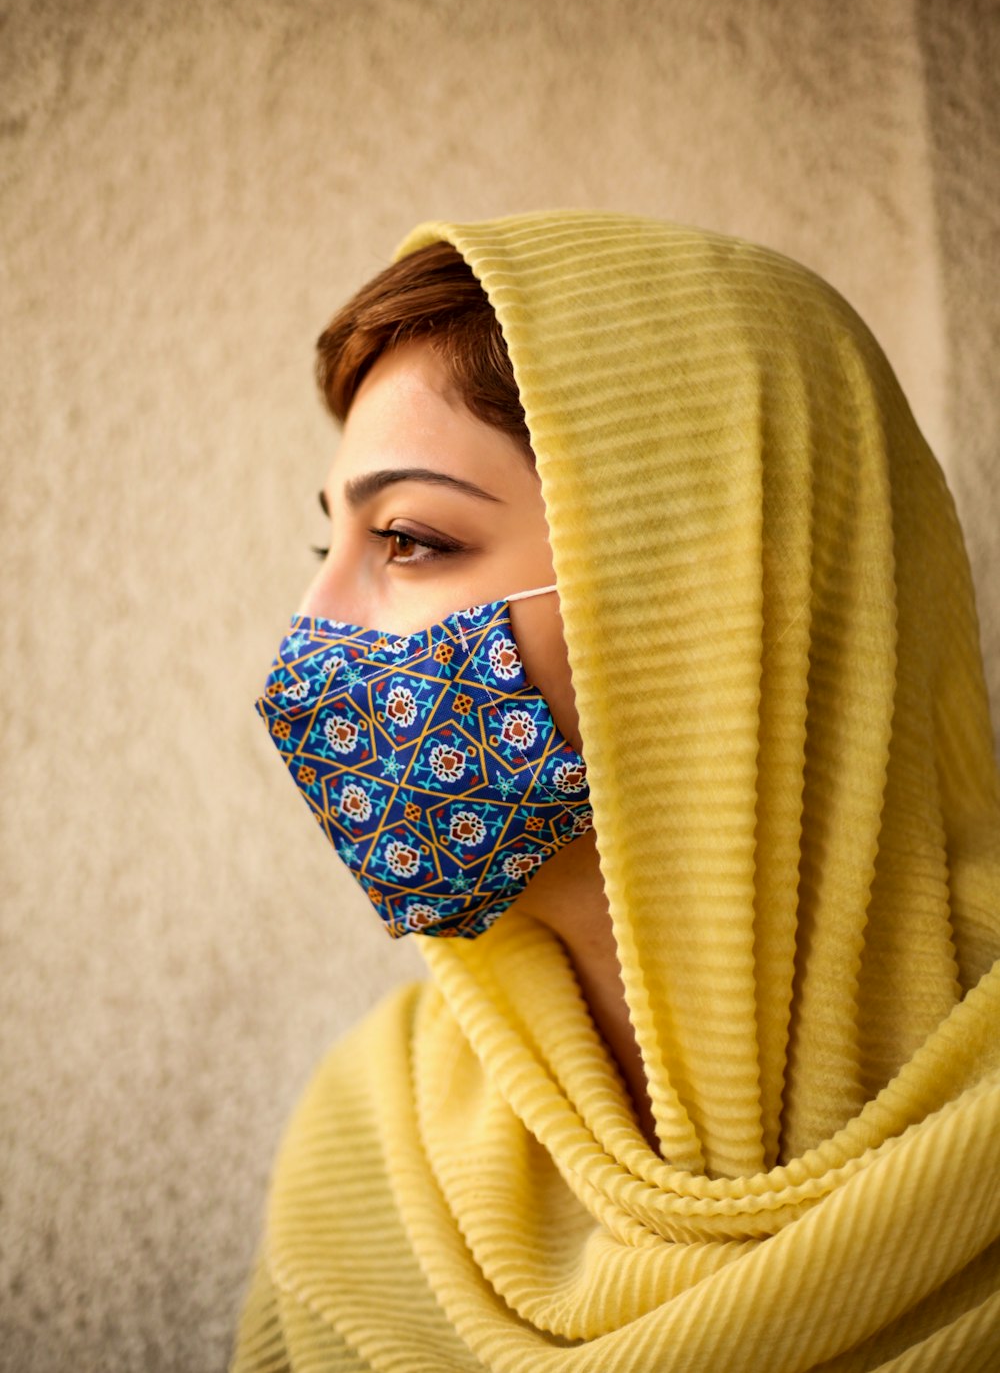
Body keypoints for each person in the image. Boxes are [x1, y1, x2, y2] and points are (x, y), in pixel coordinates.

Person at [232, 212, 1000, 1371]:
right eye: (324, 549)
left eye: (409, 538)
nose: (311, 631)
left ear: (705, 581)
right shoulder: (368, 1152)